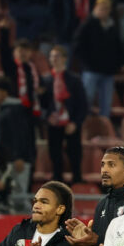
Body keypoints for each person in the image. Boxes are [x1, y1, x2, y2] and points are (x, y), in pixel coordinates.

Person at [39, 46, 86, 183]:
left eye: (57, 56)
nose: (54, 59)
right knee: (54, 151)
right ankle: (57, 177)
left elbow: (82, 105)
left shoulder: (74, 79)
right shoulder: (46, 80)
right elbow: (42, 104)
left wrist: (75, 123)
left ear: (65, 59)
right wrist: (47, 117)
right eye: (52, 56)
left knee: (74, 151)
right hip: (54, 123)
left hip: (70, 121)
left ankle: (77, 178)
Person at [74, 0, 124, 119]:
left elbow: (118, 47)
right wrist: (86, 62)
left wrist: (119, 64)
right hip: (91, 70)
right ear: (95, 9)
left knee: (106, 103)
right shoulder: (87, 24)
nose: (104, 11)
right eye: (101, 8)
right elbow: (77, 45)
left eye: (107, 9)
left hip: (108, 71)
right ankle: (83, 124)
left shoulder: (112, 26)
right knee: (87, 99)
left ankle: (105, 128)